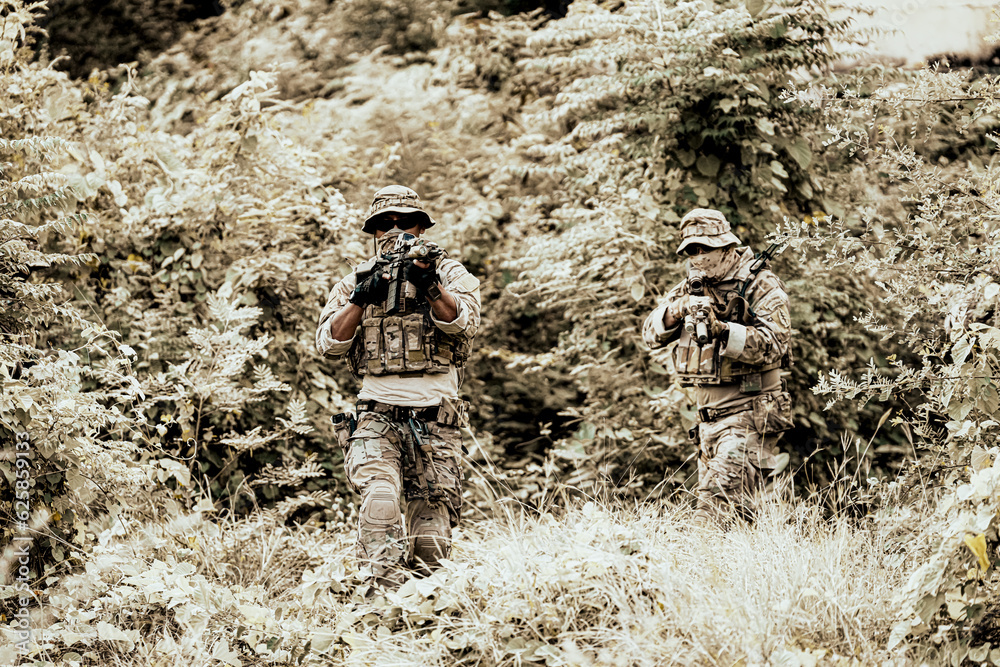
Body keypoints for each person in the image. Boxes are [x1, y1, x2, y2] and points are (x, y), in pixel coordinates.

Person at [316, 185, 481, 589]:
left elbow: (464, 323)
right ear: (373, 232)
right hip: (377, 417)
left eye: (405, 222)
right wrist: (360, 297)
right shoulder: (354, 279)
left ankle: (422, 619)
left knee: (430, 541)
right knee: (381, 502)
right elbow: (328, 343)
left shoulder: (450, 273)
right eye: (384, 224)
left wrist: (429, 286)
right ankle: (378, 602)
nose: (395, 231)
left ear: (421, 229)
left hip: (436, 424)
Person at [642, 208, 793, 523]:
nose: (697, 257)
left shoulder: (759, 284)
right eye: (691, 251)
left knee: (710, 516)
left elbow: (776, 345)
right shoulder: (693, 286)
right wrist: (677, 310)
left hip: (750, 413)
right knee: (738, 521)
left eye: (704, 249)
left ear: (727, 247)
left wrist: (723, 330)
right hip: (707, 424)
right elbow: (650, 335)